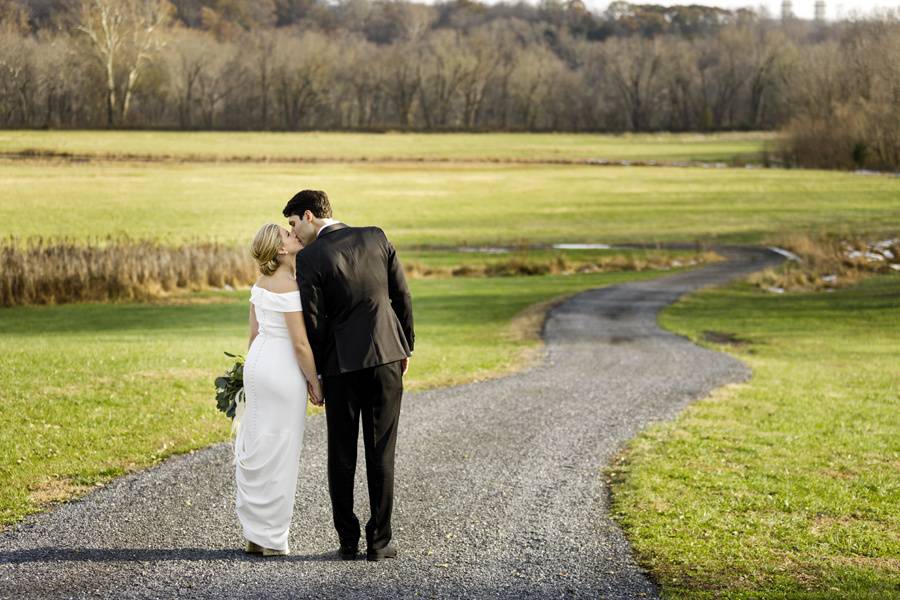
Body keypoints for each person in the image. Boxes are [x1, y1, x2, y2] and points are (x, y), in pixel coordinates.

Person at [284, 190, 414, 562]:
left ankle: (348, 541)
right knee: (382, 451)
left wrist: (318, 375)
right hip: (388, 357)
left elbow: (313, 321)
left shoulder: (310, 257)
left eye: (294, 223)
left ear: (308, 216)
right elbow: (401, 296)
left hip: (341, 366)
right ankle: (379, 542)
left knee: (341, 454)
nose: (294, 231)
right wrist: (406, 347)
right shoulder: (376, 236)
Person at [234, 223, 323, 557]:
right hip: (282, 368)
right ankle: (272, 538)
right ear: (281, 250)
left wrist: (246, 371)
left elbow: (254, 335)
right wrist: (315, 382)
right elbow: (300, 344)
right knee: (281, 450)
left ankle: (256, 535)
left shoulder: (260, 284)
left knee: (259, 444)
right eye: (287, 236)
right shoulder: (288, 286)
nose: (293, 235)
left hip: (257, 365)